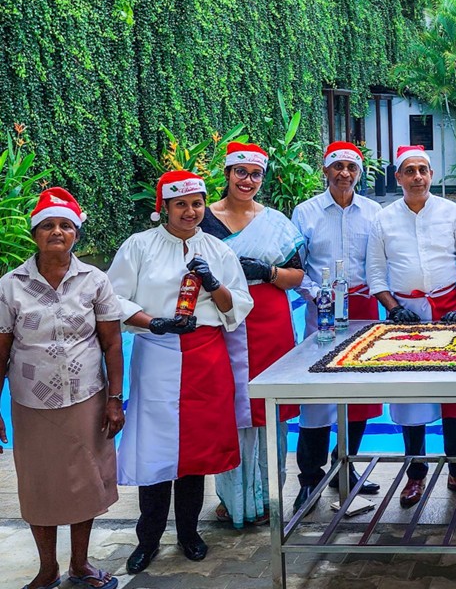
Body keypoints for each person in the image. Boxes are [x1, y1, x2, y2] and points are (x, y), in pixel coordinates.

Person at [107, 170, 253, 574]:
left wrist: (213, 284)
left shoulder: (218, 250)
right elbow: (112, 298)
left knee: (195, 453)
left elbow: (238, 306)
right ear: (165, 208)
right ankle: (148, 539)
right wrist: (152, 321)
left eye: (197, 203)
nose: (190, 212)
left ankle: (189, 532)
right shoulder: (139, 246)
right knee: (155, 452)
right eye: (181, 204)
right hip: (157, 353)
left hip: (206, 356)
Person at [0, 189, 125, 589]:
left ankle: (81, 564)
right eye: (48, 225)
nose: (57, 231)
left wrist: (114, 399)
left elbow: (112, 343)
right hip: (31, 401)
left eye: (65, 225)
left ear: (76, 234)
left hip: (85, 397)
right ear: (35, 234)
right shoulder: (10, 285)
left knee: (84, 481)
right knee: (39, 485)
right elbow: (1, 348)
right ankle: (47, 568)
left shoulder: (95, 280)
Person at [367, 145, 456, 506]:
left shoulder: (452, 213)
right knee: (411, 399)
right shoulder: (384, 219)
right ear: (399, 177)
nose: (417, 176)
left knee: (454, 400)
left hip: (450, 310)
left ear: (431, 175)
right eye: (410, 170)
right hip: (406, 318)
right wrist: (392, 308)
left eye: (423, 170)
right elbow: (375, 273)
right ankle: (415, 475)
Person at [200, 142, 305, 528]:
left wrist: (268, 272)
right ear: (227, 174)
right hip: (221, 320)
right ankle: (232, 499)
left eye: (255, 174)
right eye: (240, 172)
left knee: (267, 408)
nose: (247, 180)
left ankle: (269, 495)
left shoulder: (275, 221)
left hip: (269, 322)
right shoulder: (203, 219)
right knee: (229, 409)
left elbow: (297, 275)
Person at [290, 141, 386, 513]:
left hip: (364, 306)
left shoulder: (374, 212)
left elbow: (380, 262)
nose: (344, 173)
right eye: (338, 166)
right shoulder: (306, 212)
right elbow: (296, 265)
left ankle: (345, 467)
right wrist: (317, 294)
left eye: (351, 167)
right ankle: (309, 479)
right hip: (322, 312)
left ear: (359, 172)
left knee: (360, 395)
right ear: (325, 171)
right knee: (316, 400)